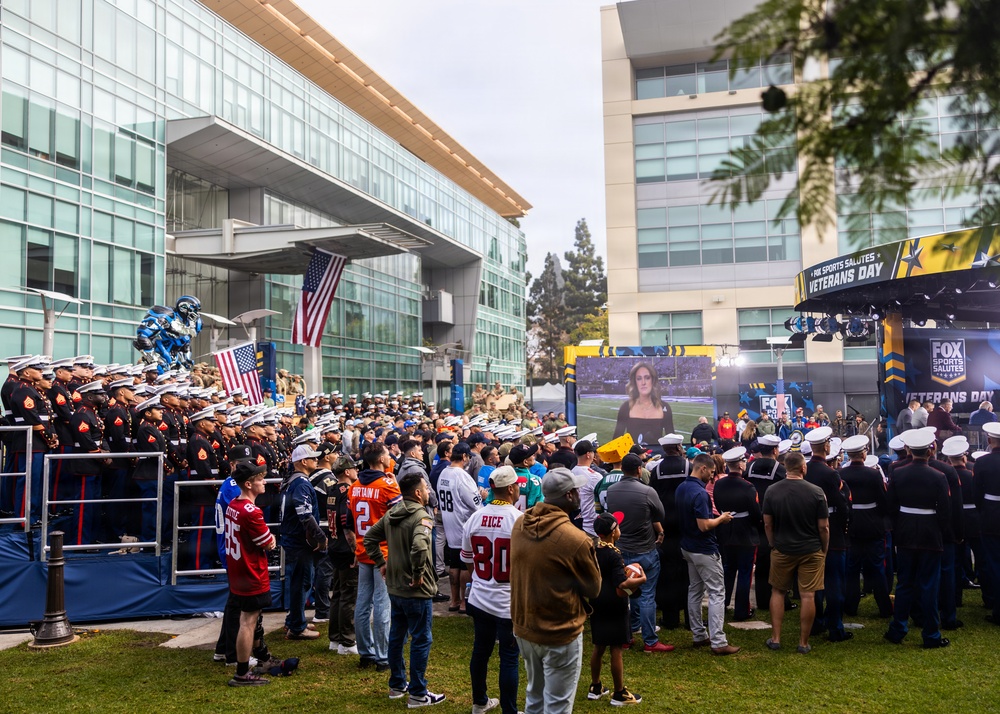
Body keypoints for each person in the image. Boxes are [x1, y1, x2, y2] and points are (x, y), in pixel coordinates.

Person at [510, 467, 602, 714]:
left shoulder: (520, 525)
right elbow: (593, 588)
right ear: (570, 495)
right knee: (558, 705)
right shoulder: (576, 539)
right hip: (560, 631)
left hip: (525, 627)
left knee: (535, 698)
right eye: (577, 491)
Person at [364, 471, 445, 707]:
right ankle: (419, 693)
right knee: (421, 638)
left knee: (397, 636)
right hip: (415, 590)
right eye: (426, 489)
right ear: (418, 493)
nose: (429, 492)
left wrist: (382, 563)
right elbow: (420, 547)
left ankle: (397, 684)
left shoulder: (392, 513)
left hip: (395, 587)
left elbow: (369, 537)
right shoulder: (421, 516)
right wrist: (419, 575)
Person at [462, 466, 524, 714]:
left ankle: (479, 702)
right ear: (510, 488)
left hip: (480, 596)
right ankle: (509, 711)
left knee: (481, 651)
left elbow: (468, 561)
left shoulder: (475, 517)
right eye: (517, 485)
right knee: (509, 658)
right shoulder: (519, 519)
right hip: (507, 600)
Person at [885, 428, 953, 648]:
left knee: (904, 583)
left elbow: (891, 506)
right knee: (929, 585)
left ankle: (898, 629)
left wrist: (899, 526)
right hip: (929, 533)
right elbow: (945, 511)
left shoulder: (897, 472)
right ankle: (931, 633)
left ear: (907, 449)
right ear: (931, 451)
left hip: (905, 532)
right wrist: (940, 531)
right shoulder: (939, 476)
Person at [762, 452, 829, 654]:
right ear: (803, 468)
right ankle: (803, 642)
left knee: (778, 591)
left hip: (782, 548)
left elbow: (767, 523)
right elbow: (823, 527)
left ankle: (775, 638)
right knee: (808, 595)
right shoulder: (816, 492)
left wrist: (773, 543)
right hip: (811, 549)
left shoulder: (772, 491)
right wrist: (824, 548)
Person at [605, 453, 670, 652]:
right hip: (645, 549)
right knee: (647, 595)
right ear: (639, 470)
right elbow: (660, 515)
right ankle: (650, 641)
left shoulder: (612, 490)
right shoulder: (647, 491)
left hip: (622, 549)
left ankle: (628, 634)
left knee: (626, 593)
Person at [676, 453, 739, 654]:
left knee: (694, 590)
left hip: (687, 546)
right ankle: (718, 641)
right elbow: (704, 526)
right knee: (717, 592)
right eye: (711, 473)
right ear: (703, 468)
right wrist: (722, 518)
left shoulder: (681, 487)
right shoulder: (700, 493)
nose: (712, 477)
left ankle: (699, 634)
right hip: (703, 548)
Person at [224, 458, 277, 686]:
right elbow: (268, 543)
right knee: (248, 621)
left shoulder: (233, 505)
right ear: (248, 484)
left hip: (238, 571)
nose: (264, 482)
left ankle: (261, 657)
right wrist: (272, 539)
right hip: (251, 572)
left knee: (252, 619)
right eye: (259, 479)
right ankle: (242, 672)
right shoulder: (251, 512)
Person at [351, 442, 402, 670]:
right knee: (382, 605)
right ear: (381, 459)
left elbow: (352, 522)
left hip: (363, 550)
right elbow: (401, 517)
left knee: (362, 604)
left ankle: (366, 653)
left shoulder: (353, 486)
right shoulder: (388, 485)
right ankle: (383, 657)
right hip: (383, 552)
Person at [588, 511, 646, 706]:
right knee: (616, 648)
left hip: (596, 601)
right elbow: (621, 585)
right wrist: (641, 579)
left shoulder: (593, 549)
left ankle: (595, 687)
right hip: (614, 604)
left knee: (598, 646)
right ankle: (619, 693)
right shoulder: (614, 553)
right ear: (613, 532)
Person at [839, 435, 893, 619]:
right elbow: (884, 500)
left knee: (852, 569)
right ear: (864, 454)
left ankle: (850, 606)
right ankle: (884, 608)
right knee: (877, 568)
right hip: (872, 525)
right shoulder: (873, 474)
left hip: (851, 525)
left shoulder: (841, 474)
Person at [279, 445, 327, 640]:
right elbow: (304, 514)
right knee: (302, 582)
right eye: (313, 458)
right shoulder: (300, 483)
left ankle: (294, 620)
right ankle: (297, 627)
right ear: (303, 462)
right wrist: (320, 537)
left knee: (299, 581)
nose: (316, 461)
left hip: (291, 538)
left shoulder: (292, 480)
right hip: (299, 541)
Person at [712, 446, 761, 622]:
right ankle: (742, 610)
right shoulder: (748, 487)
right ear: (740, 465)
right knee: (745, 573)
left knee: (728, 570)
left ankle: (722, 606)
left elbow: (718, 506)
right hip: (745, 533)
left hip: (726, 530)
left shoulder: (719, 483)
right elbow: (756, 512)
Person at [437, 442, 482, 613]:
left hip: (449, 522)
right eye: (468, 457)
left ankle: (454, 600)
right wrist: (481, 494)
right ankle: (463, 601)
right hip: (463, 524)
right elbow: (475, 504)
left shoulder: (444, 472)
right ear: (464, 457)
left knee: (454, 563)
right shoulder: (462, 475)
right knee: (465, 564)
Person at [327, 455, 360, 655]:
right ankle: (347, 642)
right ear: (347, 471)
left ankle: (335, 638)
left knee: (338, 594)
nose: (357, 471)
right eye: (354, 468)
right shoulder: (347, 491)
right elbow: (345, 521)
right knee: (349, 595)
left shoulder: (331, 490)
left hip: (334, 546)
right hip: (345, 548)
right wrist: (355, 549)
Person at [612, 361, 675, 445]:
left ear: (653, 380)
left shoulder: (665, 408)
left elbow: (672, 442)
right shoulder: (626, 407)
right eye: (639, 378)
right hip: (633, 457)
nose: (643, 383)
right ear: (635, 382)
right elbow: (616, 442)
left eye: (647, 378)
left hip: (657, 457)